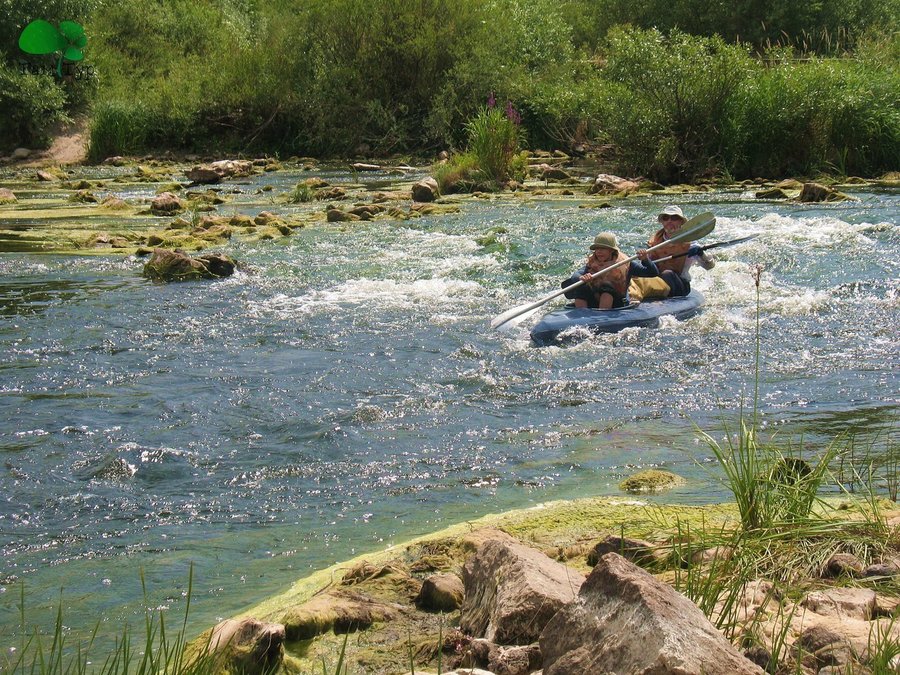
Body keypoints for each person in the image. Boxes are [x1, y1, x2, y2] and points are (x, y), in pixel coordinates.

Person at [561, 232, 659, 310]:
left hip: (615, 304)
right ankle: (581, 315)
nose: (599, 252)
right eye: (597, 249)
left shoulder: (626, 263)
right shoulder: (592, 263)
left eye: (603, 248)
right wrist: (581, 278)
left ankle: (603, 315)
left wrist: (645, 259)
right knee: (581, 287)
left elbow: (652, 272)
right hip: (594, 301)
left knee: (607, 288)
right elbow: (575, 275)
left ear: (612, 250)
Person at [645, 205, 715, 297]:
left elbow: (709, 266)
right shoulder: (653, 242)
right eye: (666, 218)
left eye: (674, 218)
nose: (669, 221)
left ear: (681, 222)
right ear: (662, 221)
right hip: (657, 281)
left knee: (667, 274)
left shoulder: (690, 243)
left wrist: (701, 254)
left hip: (680, 285)